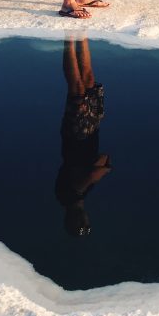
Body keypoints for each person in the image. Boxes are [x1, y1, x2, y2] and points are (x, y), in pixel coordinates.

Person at [55, 37, 111, 236]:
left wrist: (101, 171)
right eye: (85, 221)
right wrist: (100, 168)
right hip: (91, 130)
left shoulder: (69, 196)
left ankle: (69, 40)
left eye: (80, 222)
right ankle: (82, 37)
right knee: (88, 80)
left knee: (76, 89)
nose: (83, 218)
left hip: (77, 136)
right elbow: (103, 158)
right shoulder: (81, 195)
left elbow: (97, 170)